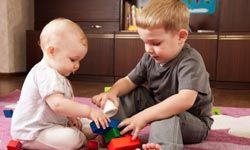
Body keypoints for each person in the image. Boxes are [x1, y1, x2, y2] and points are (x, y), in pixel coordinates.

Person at [92, 0, 214, 149]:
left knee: (166, 114)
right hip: (159, 107)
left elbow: (185, 100)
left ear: (181, 37)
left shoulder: (190, 61)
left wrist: (143, 116)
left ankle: (162, 146)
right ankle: (110, 130)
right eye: (145, 42)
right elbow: (128, 81)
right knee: (132, 93)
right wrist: (112, 92)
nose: (148, 49)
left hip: (194, 123)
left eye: (155, 43)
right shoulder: (149, 57)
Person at [11, 18, 110, 150]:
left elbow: (63, 106)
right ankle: (83, 137)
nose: (77, 66)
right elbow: (58, 104)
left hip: (50, 124)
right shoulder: (45, 73)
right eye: (73, 59)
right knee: (72, 138)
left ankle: (90, 129)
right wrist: (89, 111)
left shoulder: (58, 74)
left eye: (79, 61)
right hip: (32, 133)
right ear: (52, 51)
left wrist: (72, 116)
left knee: (87, 121)